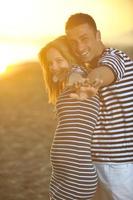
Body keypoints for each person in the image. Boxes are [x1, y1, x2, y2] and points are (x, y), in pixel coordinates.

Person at [65, 12, 133, 200]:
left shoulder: (117, 58)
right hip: (94, 163)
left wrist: (90, 84)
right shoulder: (83, 66)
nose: (79, 47)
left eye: (84, 38)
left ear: (98, 35)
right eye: (73, 42)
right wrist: (77, 81)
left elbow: (103, 73)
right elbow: (75, 76)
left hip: (119, 165)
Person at [38, 35, 100, 199]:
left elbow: (78, 80)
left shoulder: (77, 75)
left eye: (59, 60)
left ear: (70, 57)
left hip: (77, 172)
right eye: (50, 63)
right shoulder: (67, 82)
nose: (53, 66)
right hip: (64, 172)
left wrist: (81, 86)